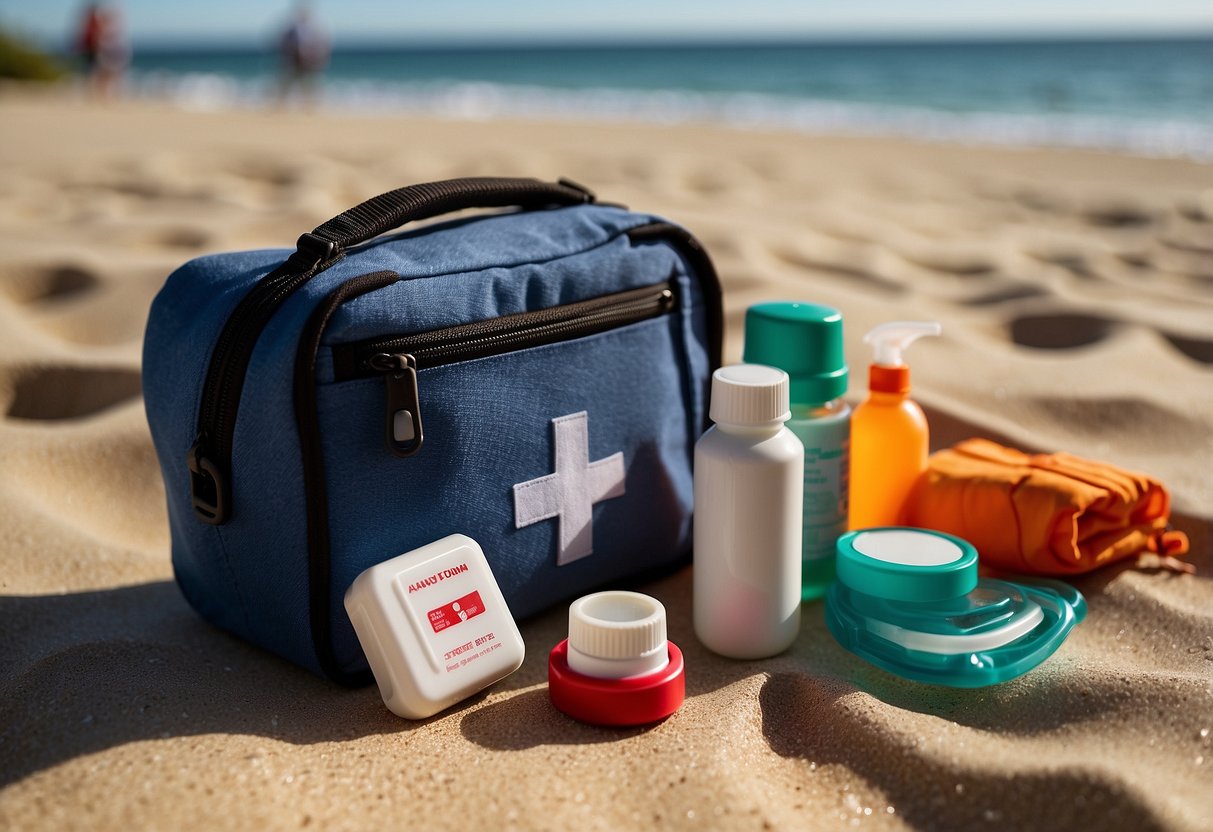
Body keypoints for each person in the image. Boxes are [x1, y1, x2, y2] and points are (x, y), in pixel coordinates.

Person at [75, 3, 129, 98]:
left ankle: (101, 94)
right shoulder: (95, 25)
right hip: (96, 51)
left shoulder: (94, 24)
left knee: (100, 73)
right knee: (99, 73)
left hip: (99, 51)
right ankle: (100, 94)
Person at [278, 4, 329, 106]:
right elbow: (284, 43)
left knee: (308, 82)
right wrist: (286, 56)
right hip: (294, 60)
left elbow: (321, 44)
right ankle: (280, 102)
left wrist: (320, 58)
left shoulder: (313, 29)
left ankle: (309, 103)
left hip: (308, 60)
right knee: (288, 80)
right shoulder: (292, 29)